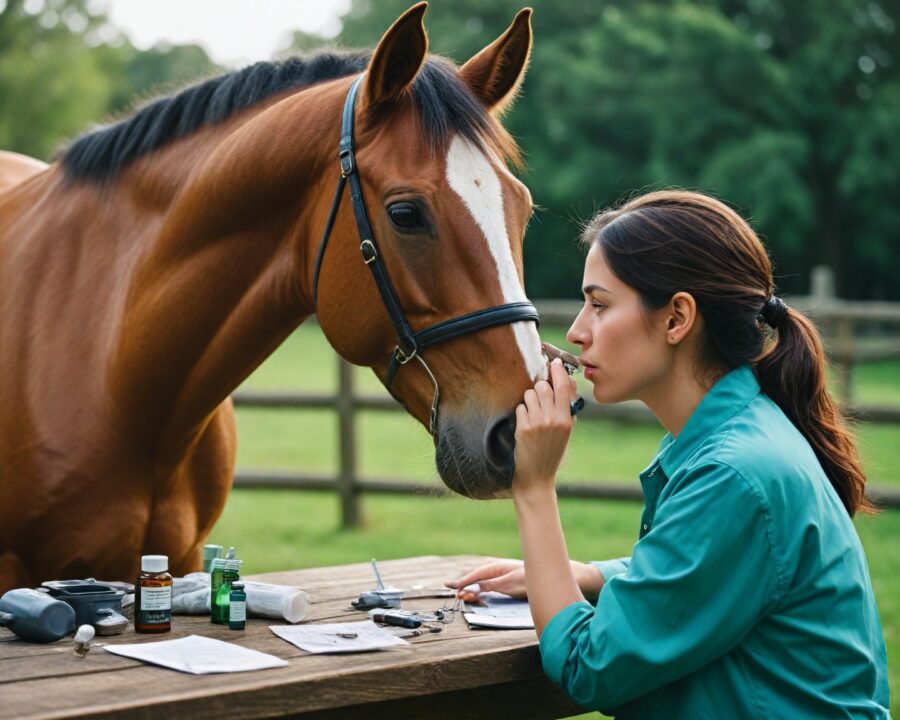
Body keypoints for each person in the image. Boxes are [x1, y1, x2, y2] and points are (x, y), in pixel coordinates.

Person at [447, 190, 890, 718]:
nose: (576, 332)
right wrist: (589, 575)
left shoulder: (732, 473)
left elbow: (590, 668)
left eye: (600, 304)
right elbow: (703, 573)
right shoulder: (734, 439)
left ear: (677, 318)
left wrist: (535, 488)